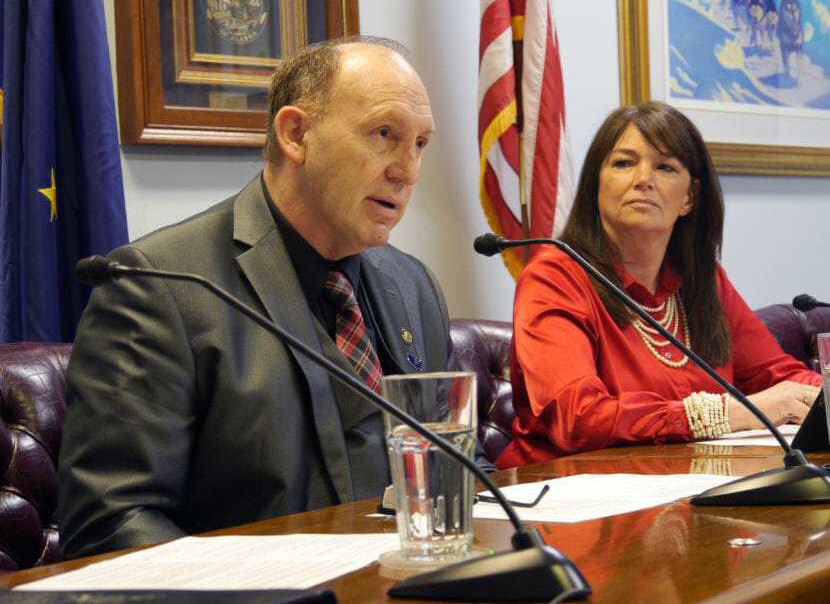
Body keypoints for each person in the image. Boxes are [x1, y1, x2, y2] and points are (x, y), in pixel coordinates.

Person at [58, 36, 463, 559]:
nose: (407, 170)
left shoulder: (413, 285)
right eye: (385, 134)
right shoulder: (159, 286)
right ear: (296, 134)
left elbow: (454, 470)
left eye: (421, 144)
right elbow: (110, 524)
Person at [495, 101, 821, 468]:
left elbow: (777, 374)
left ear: (689, 198)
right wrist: (728, 413)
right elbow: (579, 418)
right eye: (623, 163)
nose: (643, 178)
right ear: (595, 184)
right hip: (564, 498)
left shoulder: (704, 279)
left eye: (665, 167)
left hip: (687, 485)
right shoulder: (555, 277)